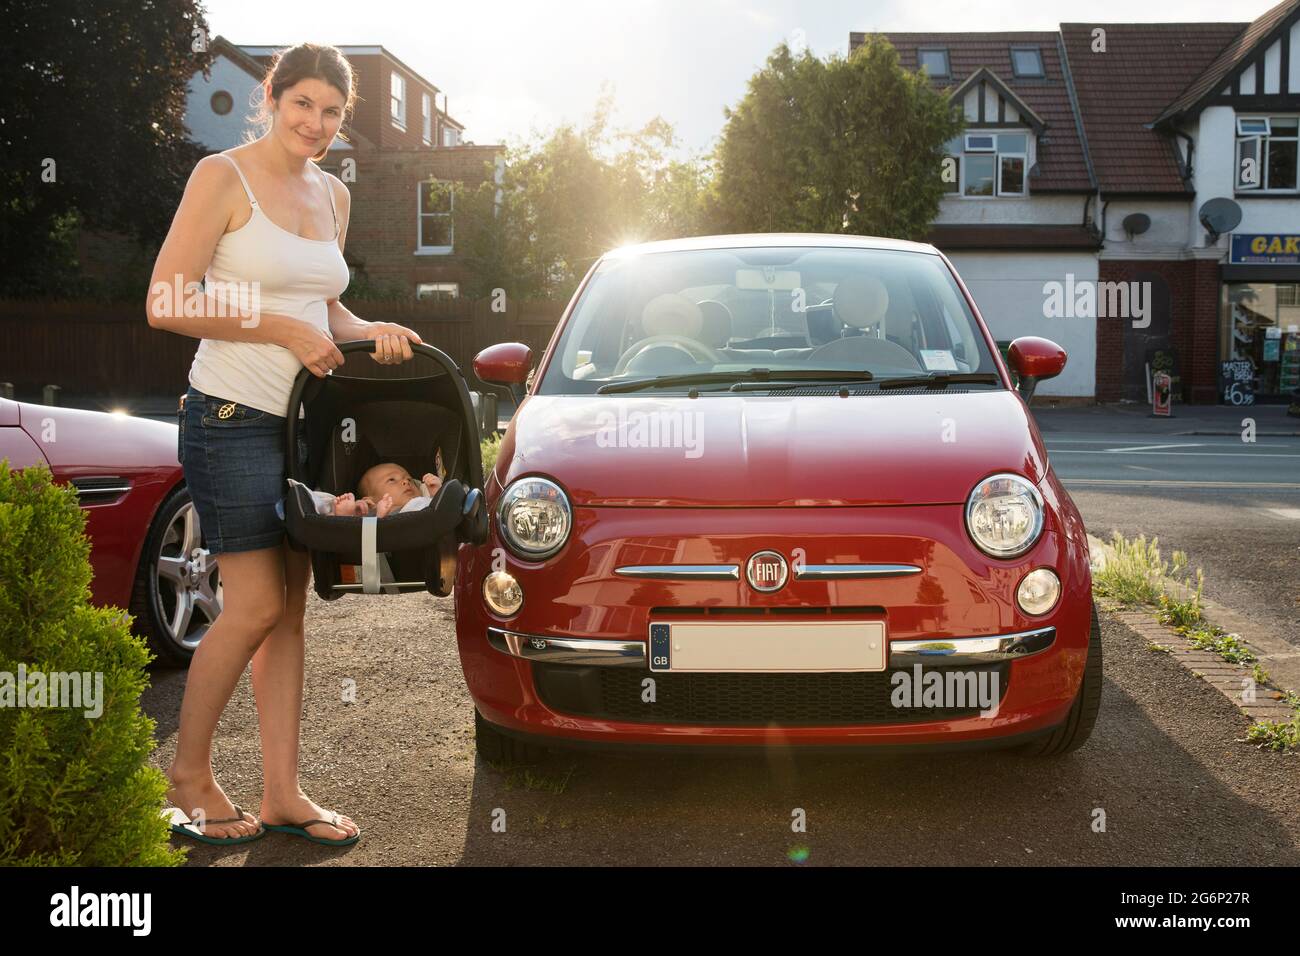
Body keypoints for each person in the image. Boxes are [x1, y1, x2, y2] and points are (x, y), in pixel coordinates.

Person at [147, 42, 421, 846]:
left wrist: (369, 329)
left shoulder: (333, 195)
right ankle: (189, 777)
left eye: (333, 112)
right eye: (303, 103)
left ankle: (282, 794)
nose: (317, 123)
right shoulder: (220, 177)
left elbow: (324, 307)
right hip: (228, 416)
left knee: (291, 614)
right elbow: (166, 299)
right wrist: (272, 327)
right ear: (272, 97)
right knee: (257, 603)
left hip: (301, 426)